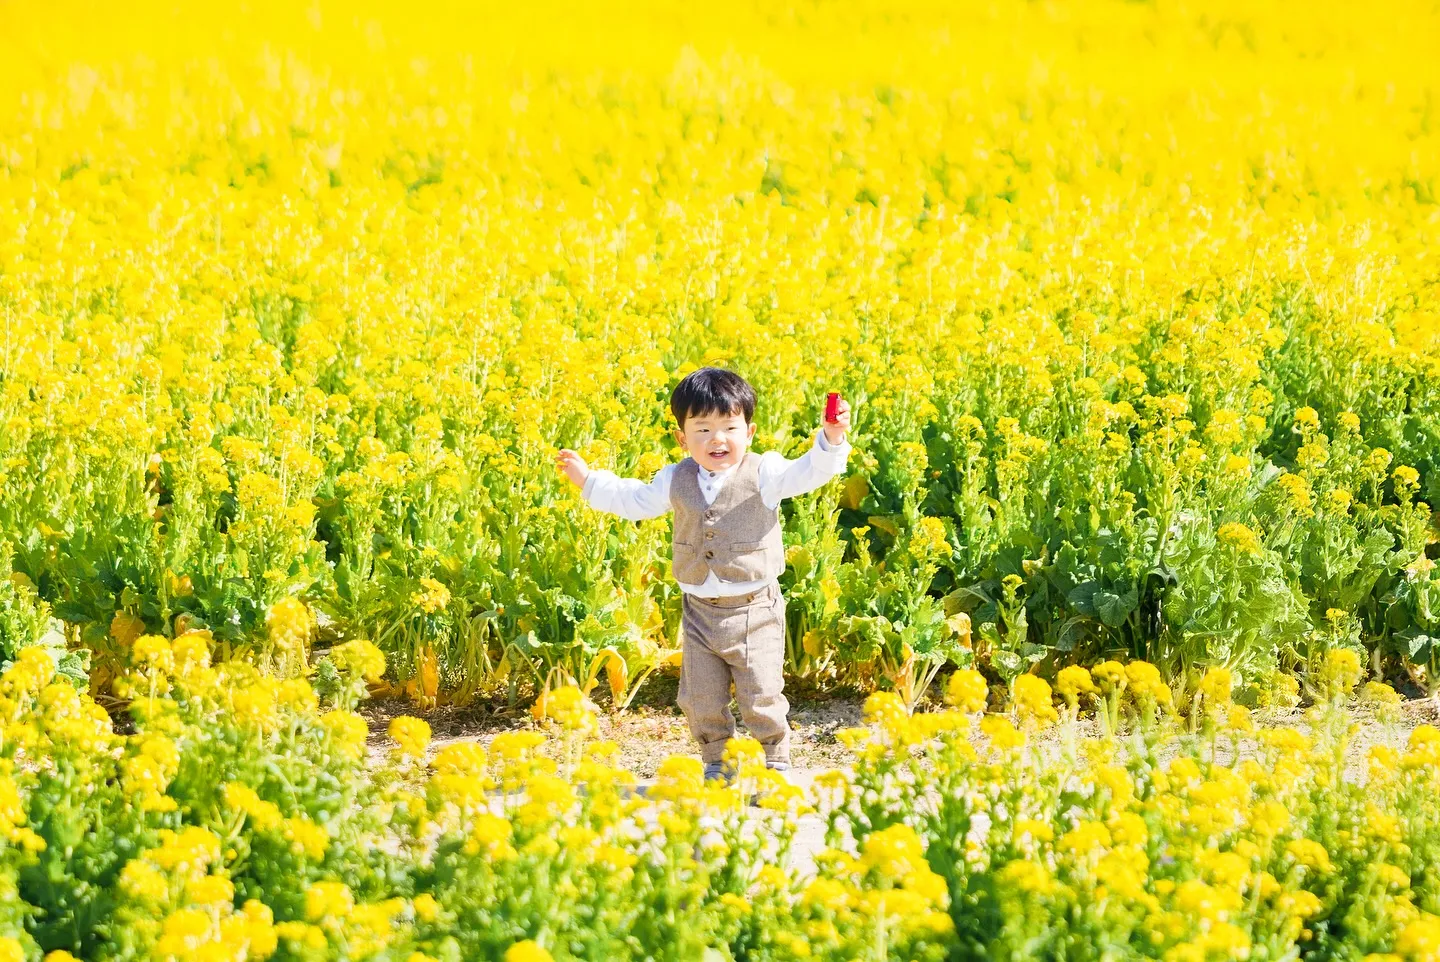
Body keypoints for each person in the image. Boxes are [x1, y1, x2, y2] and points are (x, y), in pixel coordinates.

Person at [556, 367, 852, 780]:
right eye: (703, 429)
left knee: (761, 695)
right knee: (699, 698)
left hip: (755, 610)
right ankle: (718, 761)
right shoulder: (676, 478)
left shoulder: (763, 472)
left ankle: (775, 761)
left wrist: (832, 439)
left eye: (729, 427)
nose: (717, 439)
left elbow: (809, 472)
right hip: (698, 611)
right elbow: (634, 499)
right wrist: (589, 481)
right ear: (682, 438)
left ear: (749, 433)